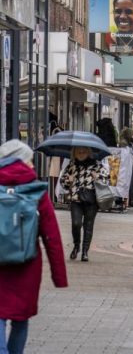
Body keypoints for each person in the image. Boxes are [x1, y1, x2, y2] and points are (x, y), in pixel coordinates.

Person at [0, 141, 68, 353]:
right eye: (29, 159)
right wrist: (59, 276)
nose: (31, 164)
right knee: (21, 319)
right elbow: (52, 237)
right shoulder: (37, 191)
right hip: (27, 265)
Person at [60, 145, 110, 262]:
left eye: (83, 151)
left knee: (88, 226)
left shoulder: (96, 165)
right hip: (76, 199)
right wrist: (69, 180)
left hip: (91, 200)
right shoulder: (71, 165)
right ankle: (76, 245)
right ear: (74, 153)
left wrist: (98, 176)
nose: (81, 153)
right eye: (79, 151)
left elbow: (108, 179)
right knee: (76, 224)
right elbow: (63, 182)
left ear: (88, 152)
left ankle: (85, 251)